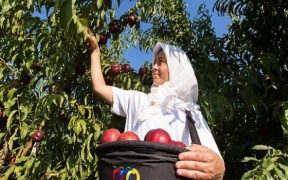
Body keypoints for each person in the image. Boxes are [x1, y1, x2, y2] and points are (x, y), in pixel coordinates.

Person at [88, 34, 225, 179]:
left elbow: (214, 162)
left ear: (177, 69)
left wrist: (218, 169)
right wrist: (95, 50)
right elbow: (99, 87)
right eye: (154, 62)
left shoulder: (190, 112)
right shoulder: (139, 101)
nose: (153, 67)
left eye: (161, 62)